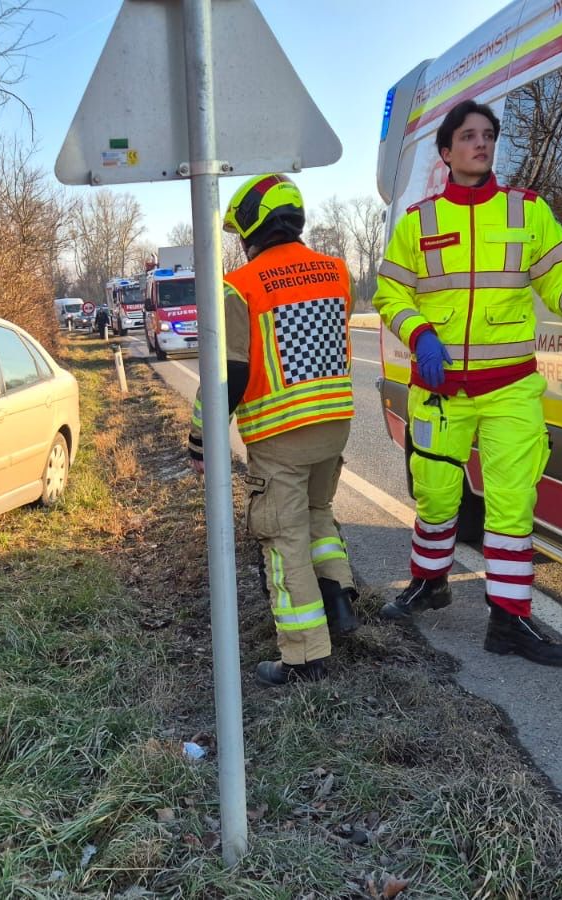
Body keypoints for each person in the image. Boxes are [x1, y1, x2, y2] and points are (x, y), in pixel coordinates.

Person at [373, 99, 562, 666]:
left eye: (488, 135)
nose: (481, 143)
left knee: (511, 504)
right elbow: (390, 293)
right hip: (441, 391)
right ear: (446, 152)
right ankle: (430, 581)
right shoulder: (419, 221)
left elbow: (561, 282)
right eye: (468, 136)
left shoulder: (528, 211)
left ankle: (509, 620)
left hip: (509, 389)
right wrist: (420, 335)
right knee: (435, 495)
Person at [187, 173, 358, 687]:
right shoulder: (337, 272)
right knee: (317, 512)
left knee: (283, 538)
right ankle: (339, 599)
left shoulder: (240, 285)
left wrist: (201, 439)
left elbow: (229, 373)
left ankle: (305, 655)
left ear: (252, 229)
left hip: (281, 433)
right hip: (334, 424)